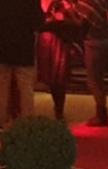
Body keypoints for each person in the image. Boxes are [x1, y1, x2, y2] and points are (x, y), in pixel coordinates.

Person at [0, 0, 44, 128]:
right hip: (24, 47)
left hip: (3, 47)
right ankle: (27, 123)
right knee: (26, 88)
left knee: (2, 88)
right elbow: (39, 21)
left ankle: (1, 120)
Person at [37, 0, 82, 121]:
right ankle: (58, 107)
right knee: (51, 76)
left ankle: (59, 108)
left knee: (60, 76)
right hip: (46, 41)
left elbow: (77, 23)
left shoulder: (65, 4)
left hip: (60, 41)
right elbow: (36, 23)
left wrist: (63, 19)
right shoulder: (40, 4)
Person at [72, 0, 108, 126]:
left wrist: (70, 11)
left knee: (93, 80)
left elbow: (80, 23)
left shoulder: (86, 3)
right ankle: (102, 112)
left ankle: (101, 115)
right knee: (99, 79)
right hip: (105, 39)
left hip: (93, 41)